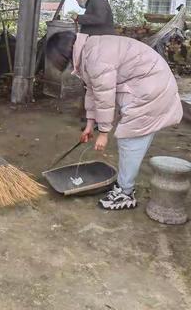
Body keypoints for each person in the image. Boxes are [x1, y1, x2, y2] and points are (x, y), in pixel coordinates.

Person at [46, 31, 183, 210]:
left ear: (65, 52)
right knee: (133, 138)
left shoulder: (95, 57)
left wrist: (103, 132)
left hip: (150, 90)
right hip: (147, 85)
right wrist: (89, 123)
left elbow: (104, 96)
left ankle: (125, 193)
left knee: (130, 139)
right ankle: (125, 186)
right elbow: (93, 90)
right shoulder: (89, 50)